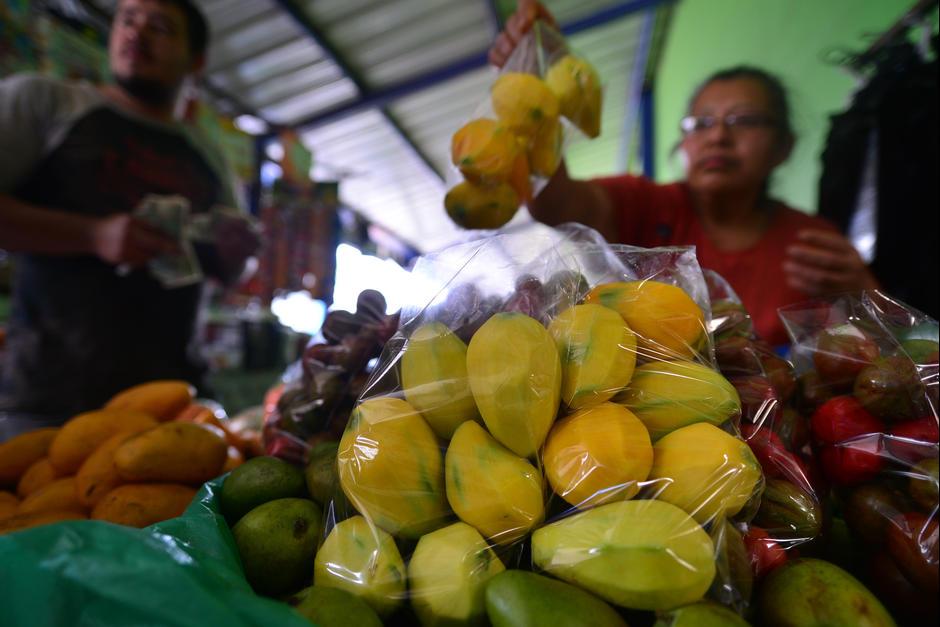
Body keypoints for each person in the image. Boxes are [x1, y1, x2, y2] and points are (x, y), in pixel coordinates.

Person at [490, 0, 879, 346]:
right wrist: (537, 92)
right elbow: (554, 203)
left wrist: (863, 292)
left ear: (784, 147)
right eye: (701, 123)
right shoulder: (648, 207)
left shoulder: (811, 244)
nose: (719, 136)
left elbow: (867, 352)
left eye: (743, 120)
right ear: (685, 142)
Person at [0, 0, 260, 434]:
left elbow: (233, 271)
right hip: (48, 399)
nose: (136, 34)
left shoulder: (210, 159)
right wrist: (92, 235)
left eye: (159, 27)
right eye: (127, 20)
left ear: (195, 60)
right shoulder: (46, 103)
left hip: (173, 405)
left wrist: (238, 256)